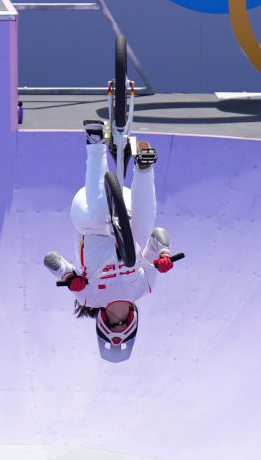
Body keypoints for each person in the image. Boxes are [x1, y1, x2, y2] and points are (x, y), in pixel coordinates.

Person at [44, 119, 174, 362]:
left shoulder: (87, 297)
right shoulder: (144, 287)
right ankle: (144, 167)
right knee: (143, 231)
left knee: (97, 214)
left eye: (114, 325)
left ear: (103, 325)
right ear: (132, 324)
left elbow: (50, 259)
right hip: (128, 209)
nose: (118, 323)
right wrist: (165, 253)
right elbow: (158, 235)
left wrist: (68, 276)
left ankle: (94, 143)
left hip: (88, 217)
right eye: (122, 326)